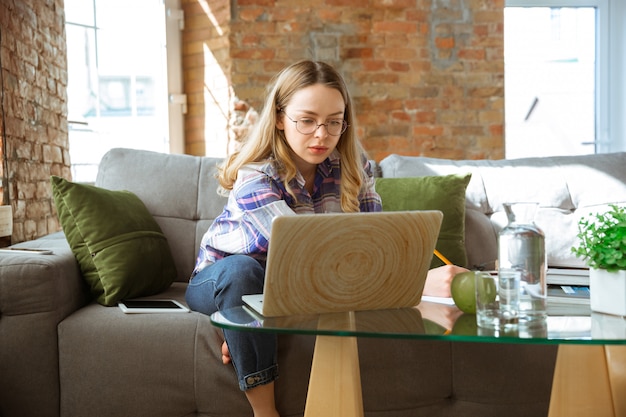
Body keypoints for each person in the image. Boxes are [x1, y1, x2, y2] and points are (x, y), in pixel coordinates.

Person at [185, 60, 467, 417]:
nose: (322, 134)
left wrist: (410, 282)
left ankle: (241, 323)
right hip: (221, 278)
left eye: (334, 121)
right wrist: (418, 281)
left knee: (256, 301)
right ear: (279, 118)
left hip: (289, 290)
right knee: (242, 273)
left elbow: (373, 250)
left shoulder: (353, 170)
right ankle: (264, 409)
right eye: (307, 120)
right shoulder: (255, 178)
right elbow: (303, 257)